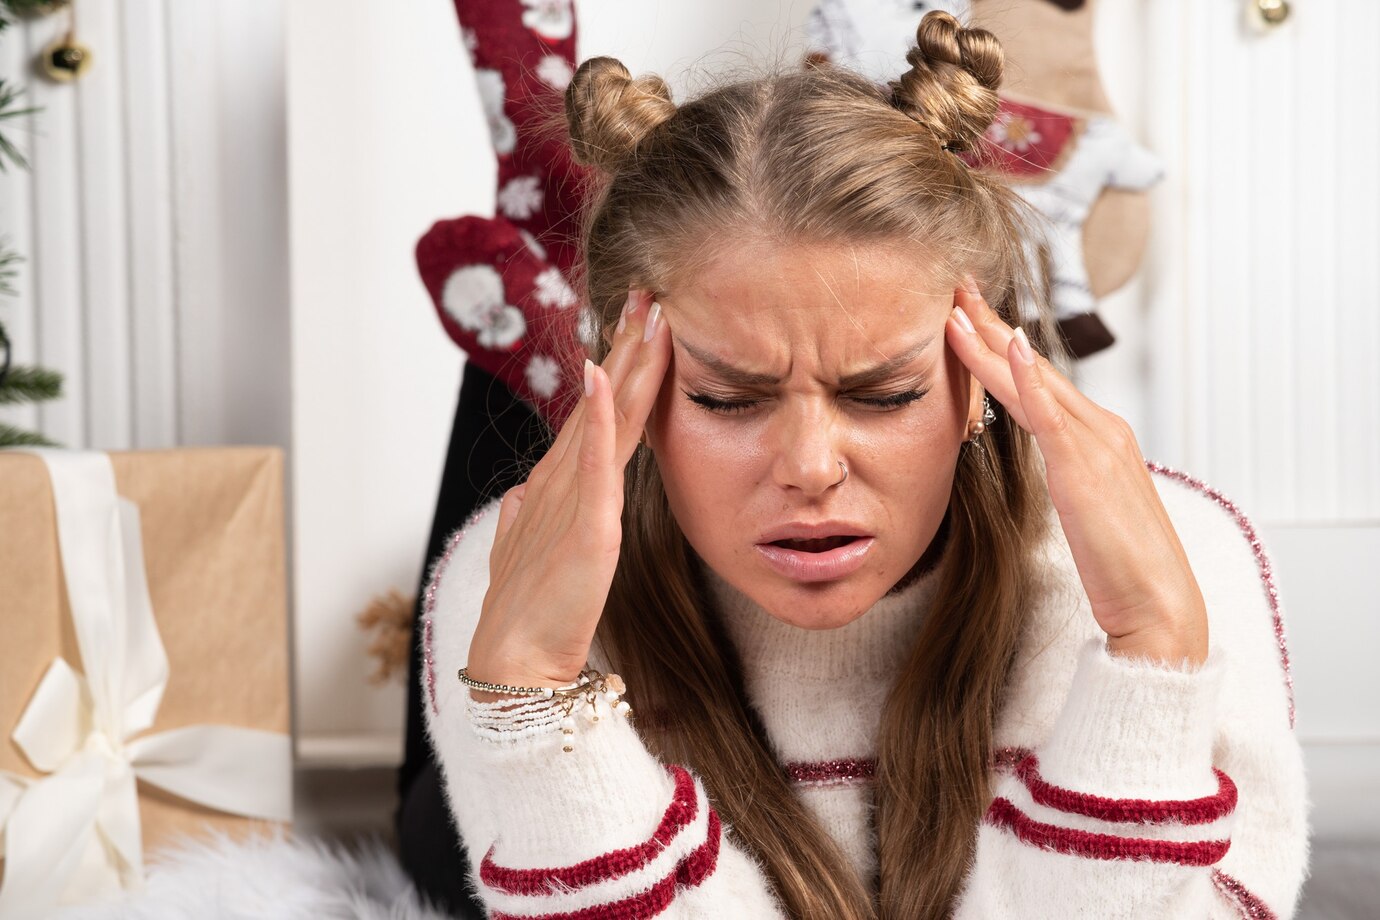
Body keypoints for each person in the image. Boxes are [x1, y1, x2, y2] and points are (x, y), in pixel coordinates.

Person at [420, 12, 1308, 918]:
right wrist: (532, 696)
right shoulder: (504, 592)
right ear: (635, 387)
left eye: (883, 395)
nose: (810, 468)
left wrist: (1151, 655)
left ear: (979, 379)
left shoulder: (1188, 556)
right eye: (729, 400)